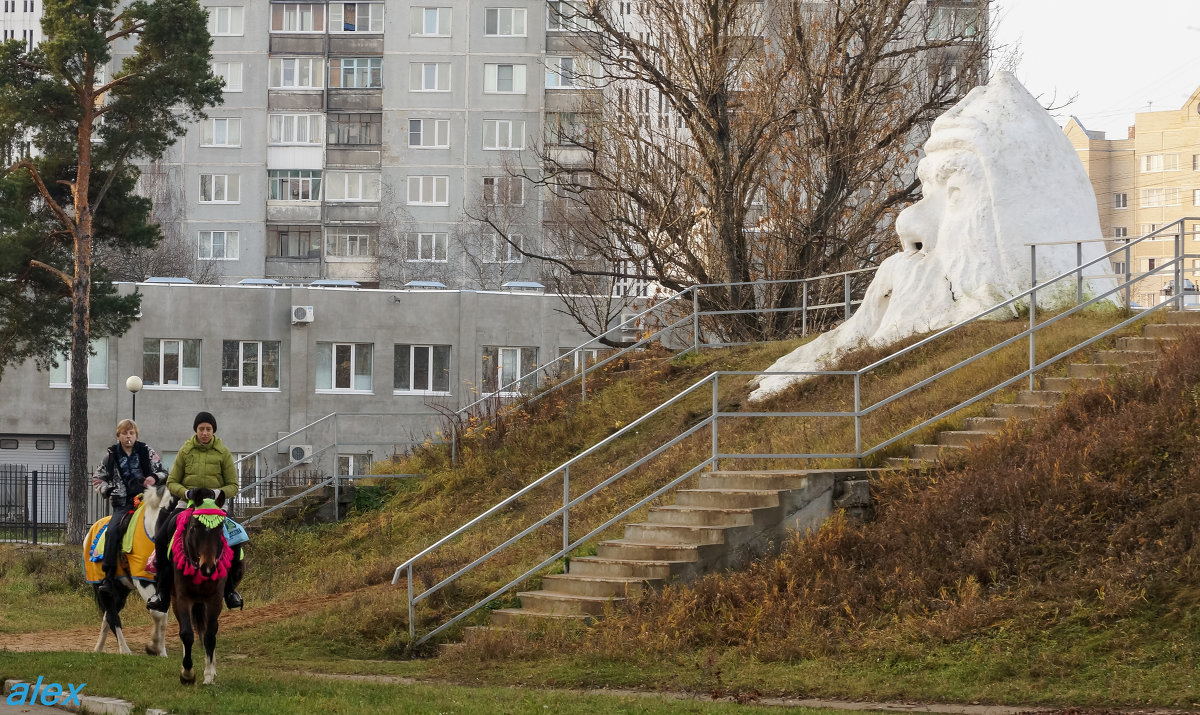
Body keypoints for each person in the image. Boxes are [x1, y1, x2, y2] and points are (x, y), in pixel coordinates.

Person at [146, 411, 244, 612]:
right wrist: (187, 492)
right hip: (187, 506)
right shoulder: (185, 451)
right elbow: (172, 481)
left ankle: (230, 592)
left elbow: (234, 485)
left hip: (216, 509)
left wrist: (217, 493)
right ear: (196, 430)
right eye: (201, 429)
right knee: (162, 538)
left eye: (208, 429)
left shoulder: (223, 453)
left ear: (213, 431)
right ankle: (162, 593)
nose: (205, 433)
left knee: (235, 540)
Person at [91, 419, 168, 596]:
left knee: (167, 525)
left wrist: (154, 478)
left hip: (149, 500)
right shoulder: (110, 455)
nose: (128, 436)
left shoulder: (146, 451)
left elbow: (164, 472)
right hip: (123, 503)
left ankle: (167, 569)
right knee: (111, 532)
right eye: (124, 433)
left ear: (136, 435)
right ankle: (108, 578)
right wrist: (108, 489)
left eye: (131, 433)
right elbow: (97, 478)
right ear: (118, 435)